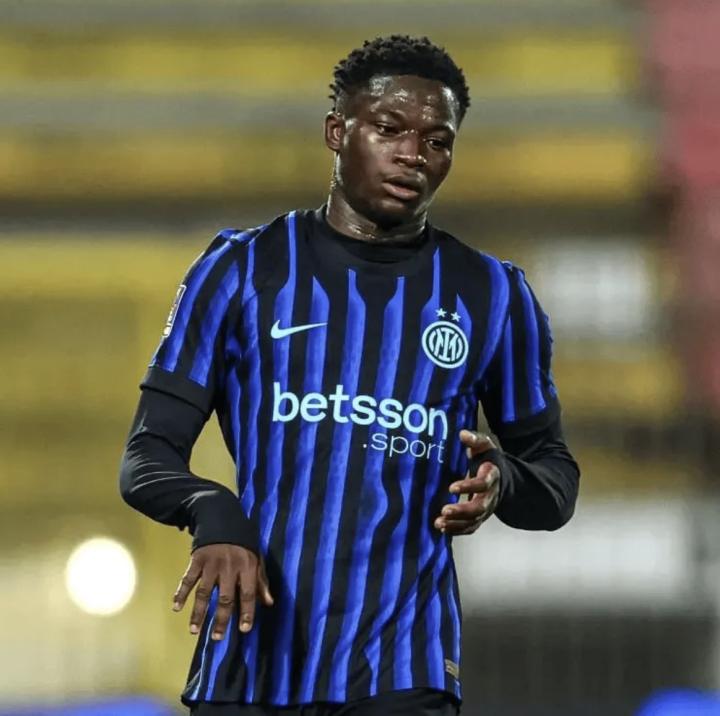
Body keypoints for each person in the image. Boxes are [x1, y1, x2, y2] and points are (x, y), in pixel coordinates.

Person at [119, 35, 580, 716]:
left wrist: (504, 482)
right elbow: (146, 456)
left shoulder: (492, 295)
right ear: (337, 132)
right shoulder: (241, 270)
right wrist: (213, 512)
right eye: (390, 130)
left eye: (437, 141)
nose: (413, 155)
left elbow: (556, 480)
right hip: (250, 659)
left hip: (405, 667)